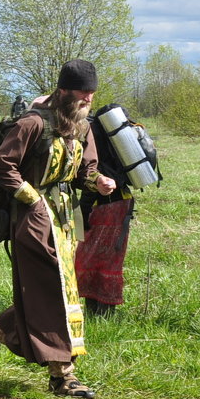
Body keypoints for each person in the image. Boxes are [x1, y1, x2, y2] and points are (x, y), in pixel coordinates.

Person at [0, 60, 116, 399]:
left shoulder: (83, 127)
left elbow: (86, 170)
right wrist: (32, 199)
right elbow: (1, 165)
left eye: (92, 94)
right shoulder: (33, 123)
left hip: (66, 221)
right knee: (53, 293)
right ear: (63, 91)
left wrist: (100, 182)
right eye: (82, 94)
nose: (88, 100)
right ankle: (63, 376)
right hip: (32, 222)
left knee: (54, 291)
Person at [75, 104, 140, 315]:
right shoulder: (118, 137)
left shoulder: (90, 134)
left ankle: (97, 312)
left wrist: (83, 215)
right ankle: (103, 312)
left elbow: (87, 177)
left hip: (101, 205)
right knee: (110, 259)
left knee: (89, 258)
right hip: (122, 202)